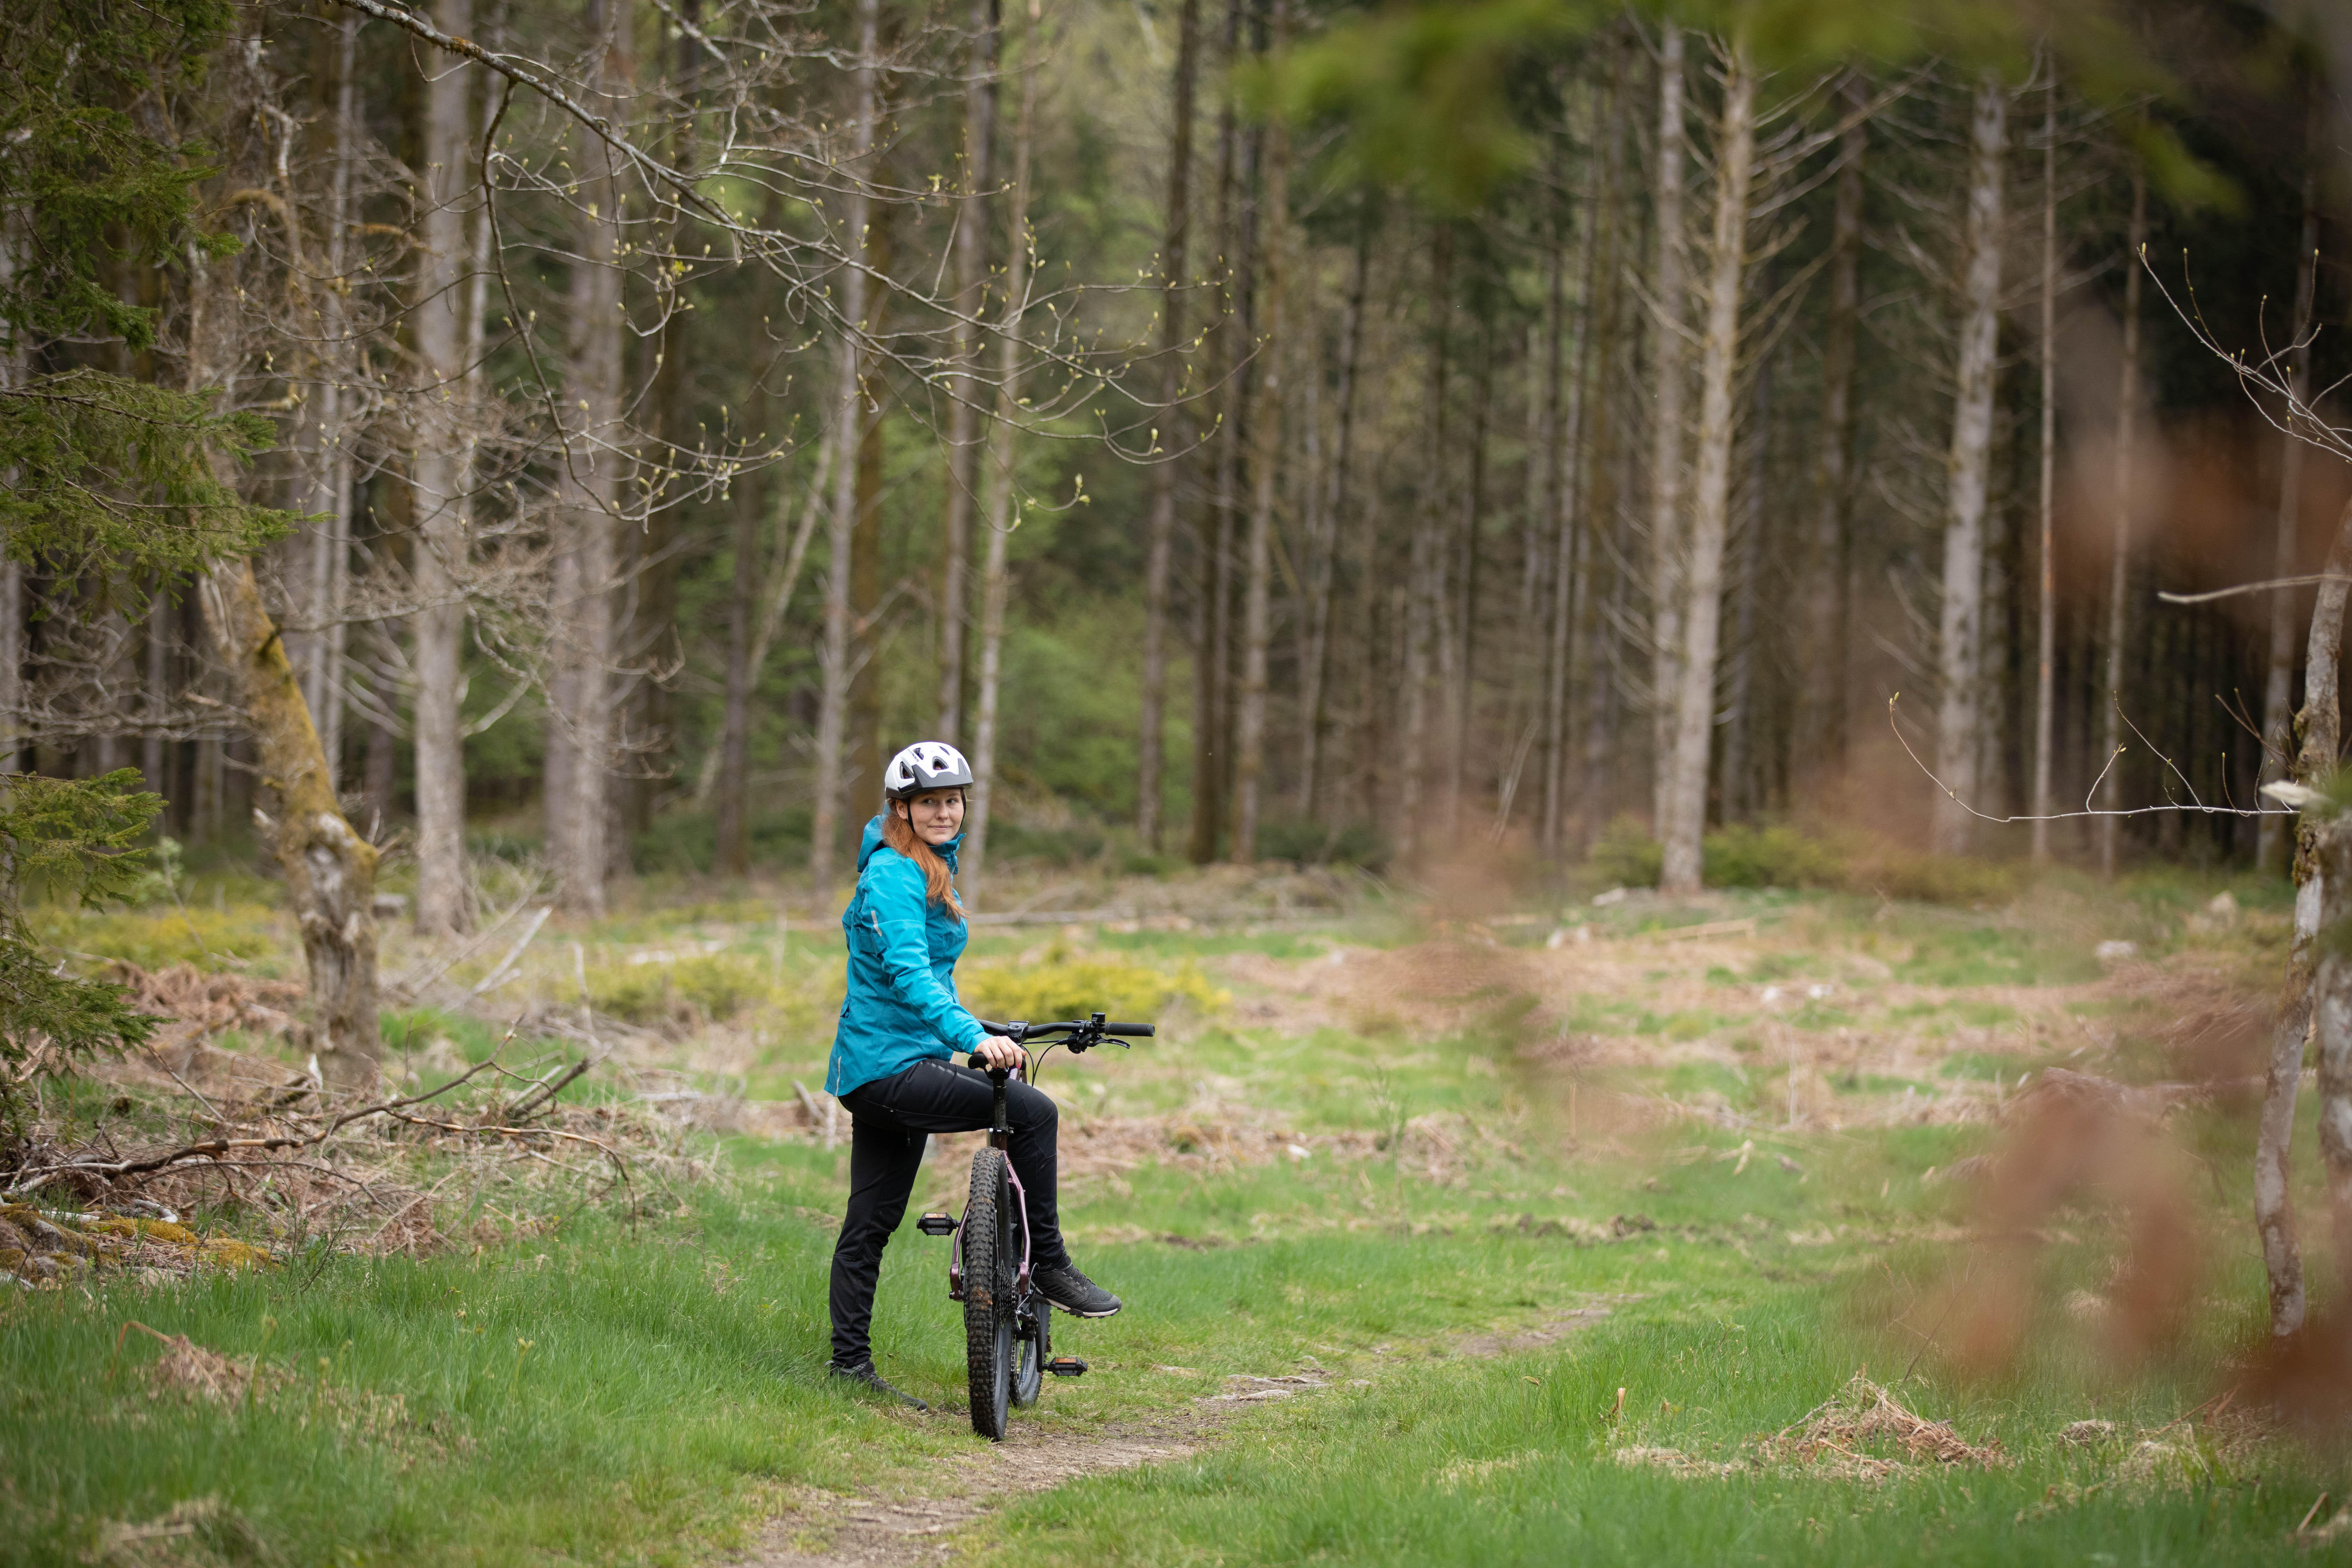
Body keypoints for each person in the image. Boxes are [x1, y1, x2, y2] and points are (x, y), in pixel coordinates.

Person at [823, 741, 1122, 1408]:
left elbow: (923, 985)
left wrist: (985, 1027)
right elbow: (906, 976)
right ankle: (1048, 1264)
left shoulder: (923, 868)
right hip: (891, 1068)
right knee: (1034, 1112)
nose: (944, 811)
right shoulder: (897, 874)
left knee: (870, 1222)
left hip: (881, 1066)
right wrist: (970, 1037)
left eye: (953, 800)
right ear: (901, 808)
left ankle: (848, 1368)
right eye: (929, 801)